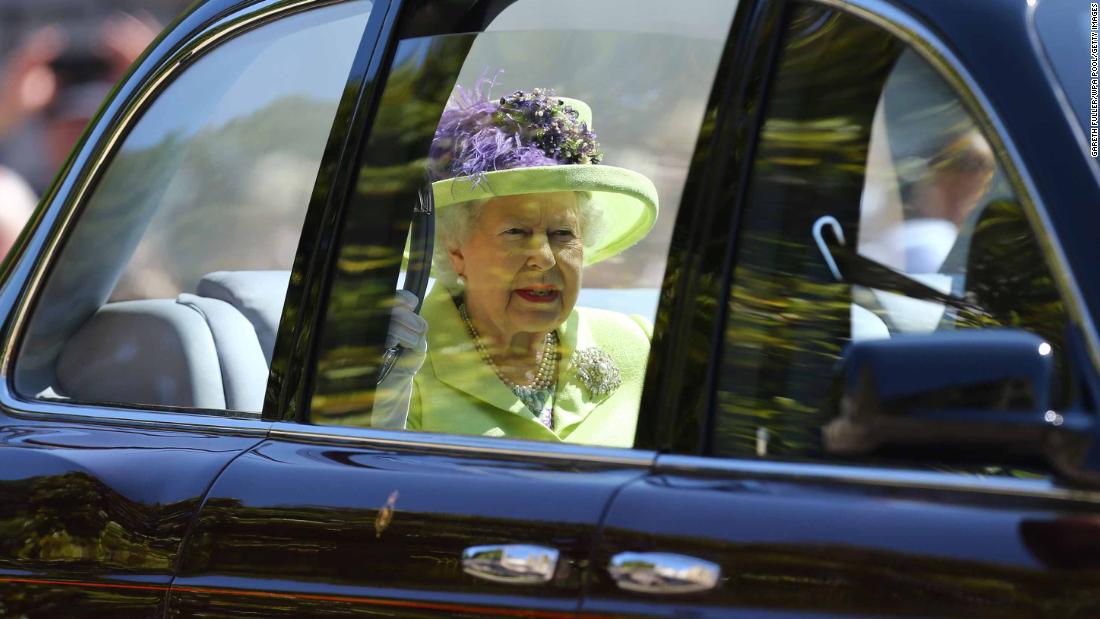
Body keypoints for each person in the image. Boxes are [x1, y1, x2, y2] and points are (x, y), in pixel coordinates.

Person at [376, 84, 659, 447]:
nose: (543, 258)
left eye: (562, 233)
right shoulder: (399, 368)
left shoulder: (638, 343)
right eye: (516, 232)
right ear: (456, 250)